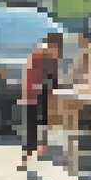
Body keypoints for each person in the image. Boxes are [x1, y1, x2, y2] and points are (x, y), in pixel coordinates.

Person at [19, 32, 63, 160]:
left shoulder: (51, 58)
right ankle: (28, 155)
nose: (57, 52)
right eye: (56, 49)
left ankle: (39, 149)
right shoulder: (38, 56)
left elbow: (54, 79)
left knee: (43, 121)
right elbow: (35, 79)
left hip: (43, 93)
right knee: (32, 124)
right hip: (34, 94)